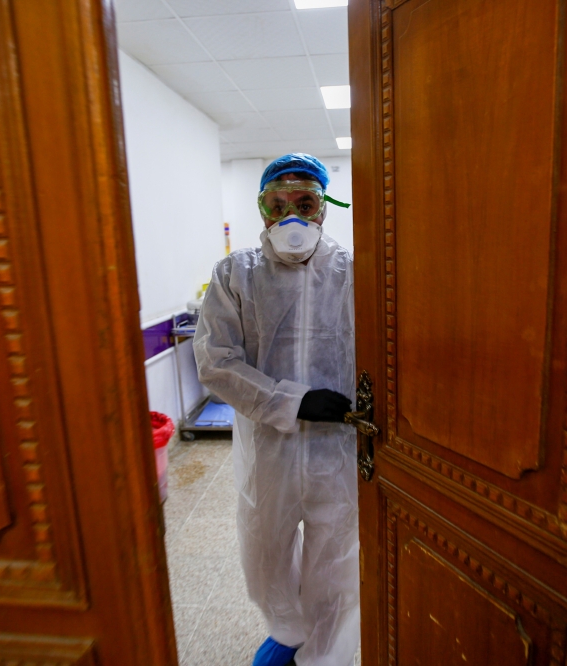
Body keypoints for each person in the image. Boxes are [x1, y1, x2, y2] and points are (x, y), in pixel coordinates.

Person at [194, 153, 358, 666]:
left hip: (339, 449)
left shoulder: (352, 271)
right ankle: (288, 632)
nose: (291, 216)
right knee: (265, 558)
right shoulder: (235, 274)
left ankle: (326, 655)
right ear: (261, 209)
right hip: (268, 448)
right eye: (277, 202)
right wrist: (294, 401)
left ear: (324, 208)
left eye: (304, 202)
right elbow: (217, 363)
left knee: (337, 564)